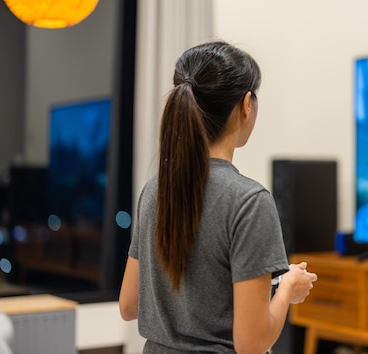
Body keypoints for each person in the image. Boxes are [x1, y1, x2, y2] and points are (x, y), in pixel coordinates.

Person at [119, 41, 318, 354]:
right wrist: (287, 290)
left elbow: (130, 305)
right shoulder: (249, 201)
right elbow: (251, 344)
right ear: (246, 105)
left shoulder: (154, 190)